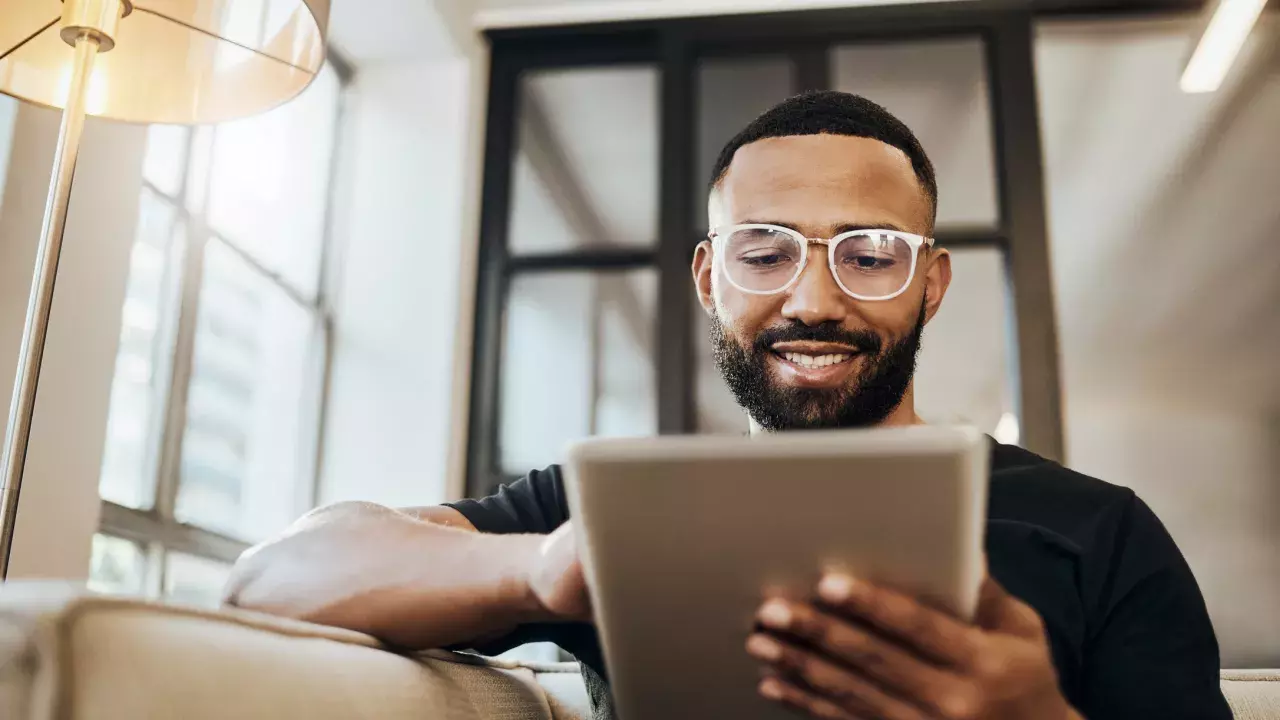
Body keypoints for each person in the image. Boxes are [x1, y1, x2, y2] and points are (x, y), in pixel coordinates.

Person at [224, 92, 1231, 720]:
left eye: (867, 254)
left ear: (930, 284)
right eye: (766, 250)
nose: (811, 299)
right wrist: (544, 566)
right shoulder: (609, 512)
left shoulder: (1100, 530)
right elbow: (274, 581)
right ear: (709, 277)